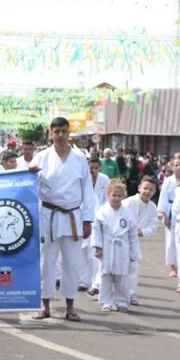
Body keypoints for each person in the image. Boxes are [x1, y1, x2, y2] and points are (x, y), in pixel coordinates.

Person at [30, 117, 95, 322]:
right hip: (48, 215)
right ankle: (45, 305)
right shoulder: (41, 157)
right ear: (50, 133)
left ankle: (70, 306)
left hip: (72, 216)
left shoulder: (79, 158)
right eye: (56, 131)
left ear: (69, 133)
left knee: (71, 263)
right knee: (46, 263)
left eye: (63, 131)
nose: (60, 135)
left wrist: (87, 220)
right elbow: (27, 185)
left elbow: (87, 190)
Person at [92, 180, 139, 313]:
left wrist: (134, 252)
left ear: (123, 196)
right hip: (107, 246)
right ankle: (106, 301)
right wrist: (97, 247)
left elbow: (132, 235)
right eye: (114, 195)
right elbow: (97, 231)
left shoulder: (127, 213)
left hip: (122, 247)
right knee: (105, 275)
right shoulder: (101, 211)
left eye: (119, 196)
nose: (116, 198)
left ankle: (122, 301)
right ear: (108, 194)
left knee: (122, 276)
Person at [122, 175, 159, 305]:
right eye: (145, 188)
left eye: (151, 190)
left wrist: (142, 232)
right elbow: (119, 216)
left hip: (135, 241)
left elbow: (154, 225)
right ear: (139, 188)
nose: (147, 192)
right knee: (118, 267)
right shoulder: (128, 202)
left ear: (154, 192)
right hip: (121, 238)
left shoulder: (153, 207)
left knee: (133, 267)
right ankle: (115, 293)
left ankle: (131, 294)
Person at [84, 156, 110, 295]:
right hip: (86, 218)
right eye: (91, 168)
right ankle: (86, 281)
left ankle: (96, 282)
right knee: (84, 253)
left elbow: (108, 198)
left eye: (95, 168)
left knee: (95, 252)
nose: (93, 170)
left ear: (99, 167)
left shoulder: (105, 179)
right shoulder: (83, 179)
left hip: (101, 218)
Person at [156, 161, 180, 278]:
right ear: (172, 167)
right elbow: (163, 197)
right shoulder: (169, 181)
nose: (179, 167)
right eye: (176, 165)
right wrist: (164, 215)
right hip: (171, 211)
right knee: (171, 241)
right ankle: (172, 267)